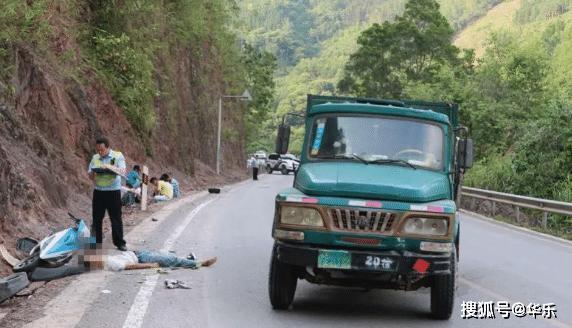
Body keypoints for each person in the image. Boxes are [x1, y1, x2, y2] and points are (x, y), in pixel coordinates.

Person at [88, 137, 127, 251]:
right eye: (98, 150)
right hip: (99, 192)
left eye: (102, 150)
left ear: (108, 147)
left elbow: (123, 171)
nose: (100, 152)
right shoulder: (95, 158)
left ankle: (120, 243)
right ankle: (95, 245)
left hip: (113, 192)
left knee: (116, 218)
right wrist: (93, 173)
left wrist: (109, 167)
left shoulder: (118, 155)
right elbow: (90, 175)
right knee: (96, 219)